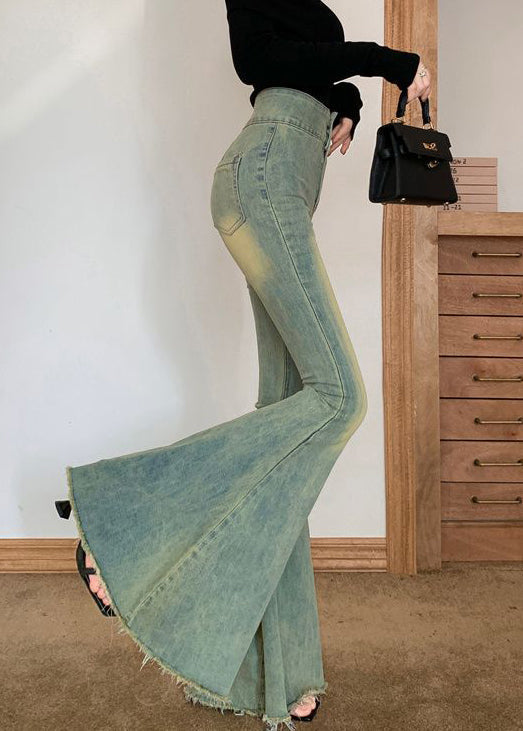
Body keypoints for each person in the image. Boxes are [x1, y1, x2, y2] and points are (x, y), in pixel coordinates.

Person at [56, 1, 431, 730]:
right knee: (340, 397)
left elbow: (304, 60)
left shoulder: (308, 4)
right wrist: (384, 63)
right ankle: (120, 518)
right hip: (263, 176)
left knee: (286, 444)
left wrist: (348, 102)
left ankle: (270, 676)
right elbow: (261, 62)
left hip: (283, 182)